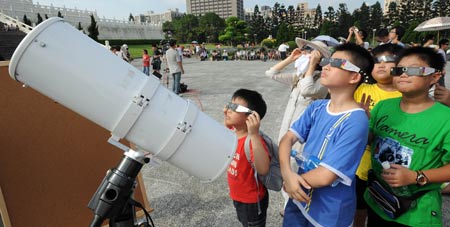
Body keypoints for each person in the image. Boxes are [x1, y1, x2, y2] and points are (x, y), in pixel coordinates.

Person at [279, 43, 374, 227]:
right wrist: (288, 175)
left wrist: (292, 182)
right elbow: (287, 140)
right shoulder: (317, 107)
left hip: (328, 214)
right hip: (299, 198)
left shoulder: (356, 120)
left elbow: (326, 176)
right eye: (328, 60)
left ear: (354, 77)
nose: (326, 66)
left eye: (337, 63)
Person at [364, 46, 450, 227]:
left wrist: (416, 177)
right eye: (399, 70)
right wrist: (359, 124)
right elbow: (370, 140)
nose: (403, 74)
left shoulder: (445, 119)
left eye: (413, 70)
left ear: (434, 77)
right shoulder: (383, 106)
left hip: (416, 213)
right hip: (379, 199)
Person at [266, 37, 330, 216]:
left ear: (319, 58)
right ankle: (289, 205)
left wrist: (312, 66)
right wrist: (291, 59)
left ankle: (294, 208)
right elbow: (270, 74)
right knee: (285, 166)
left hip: (303, 136)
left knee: (295, 168)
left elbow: (307, 90)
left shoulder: (322, 81)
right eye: (305, 50)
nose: (306, 53)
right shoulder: (299, 77)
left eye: (310, 51)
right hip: (287, 132)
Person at [352, 43, 404, 227]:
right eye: (375, 61)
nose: (381, 65)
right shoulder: (362, 89)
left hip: (392, 166)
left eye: (388, 60)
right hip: (361, 164)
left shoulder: (406, 94)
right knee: (359, 205)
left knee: (385, 204)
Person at [224, 88, 270, 227]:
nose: (228, 110)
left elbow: (263, 169)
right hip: (237, 196)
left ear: (250, 117)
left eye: (235, 107)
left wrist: (255, 134)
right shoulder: (233, 131)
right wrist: (227, 114)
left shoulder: (253, 141)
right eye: (229, 105)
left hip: (251, 202)